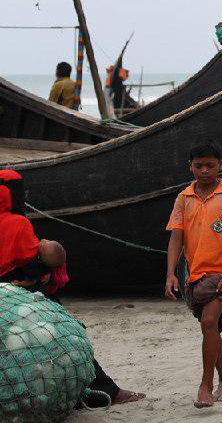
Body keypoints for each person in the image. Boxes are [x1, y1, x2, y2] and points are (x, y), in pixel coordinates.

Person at [0, 170, 144, 406]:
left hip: (3, 300)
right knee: (66, 341)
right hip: (25, 298)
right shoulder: (18, 223)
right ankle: (106, 391)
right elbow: (33, 264)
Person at [164, 140, 222, 408]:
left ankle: (206, 384)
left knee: (209, 323)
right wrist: (171, 273)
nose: (204, 171)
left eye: (210, 166)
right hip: (194, 276)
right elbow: (176, 238)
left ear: (220, 165)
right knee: (210, 329)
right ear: (190, 166)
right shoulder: (184, 197)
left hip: (219, 274)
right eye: (199, 166)